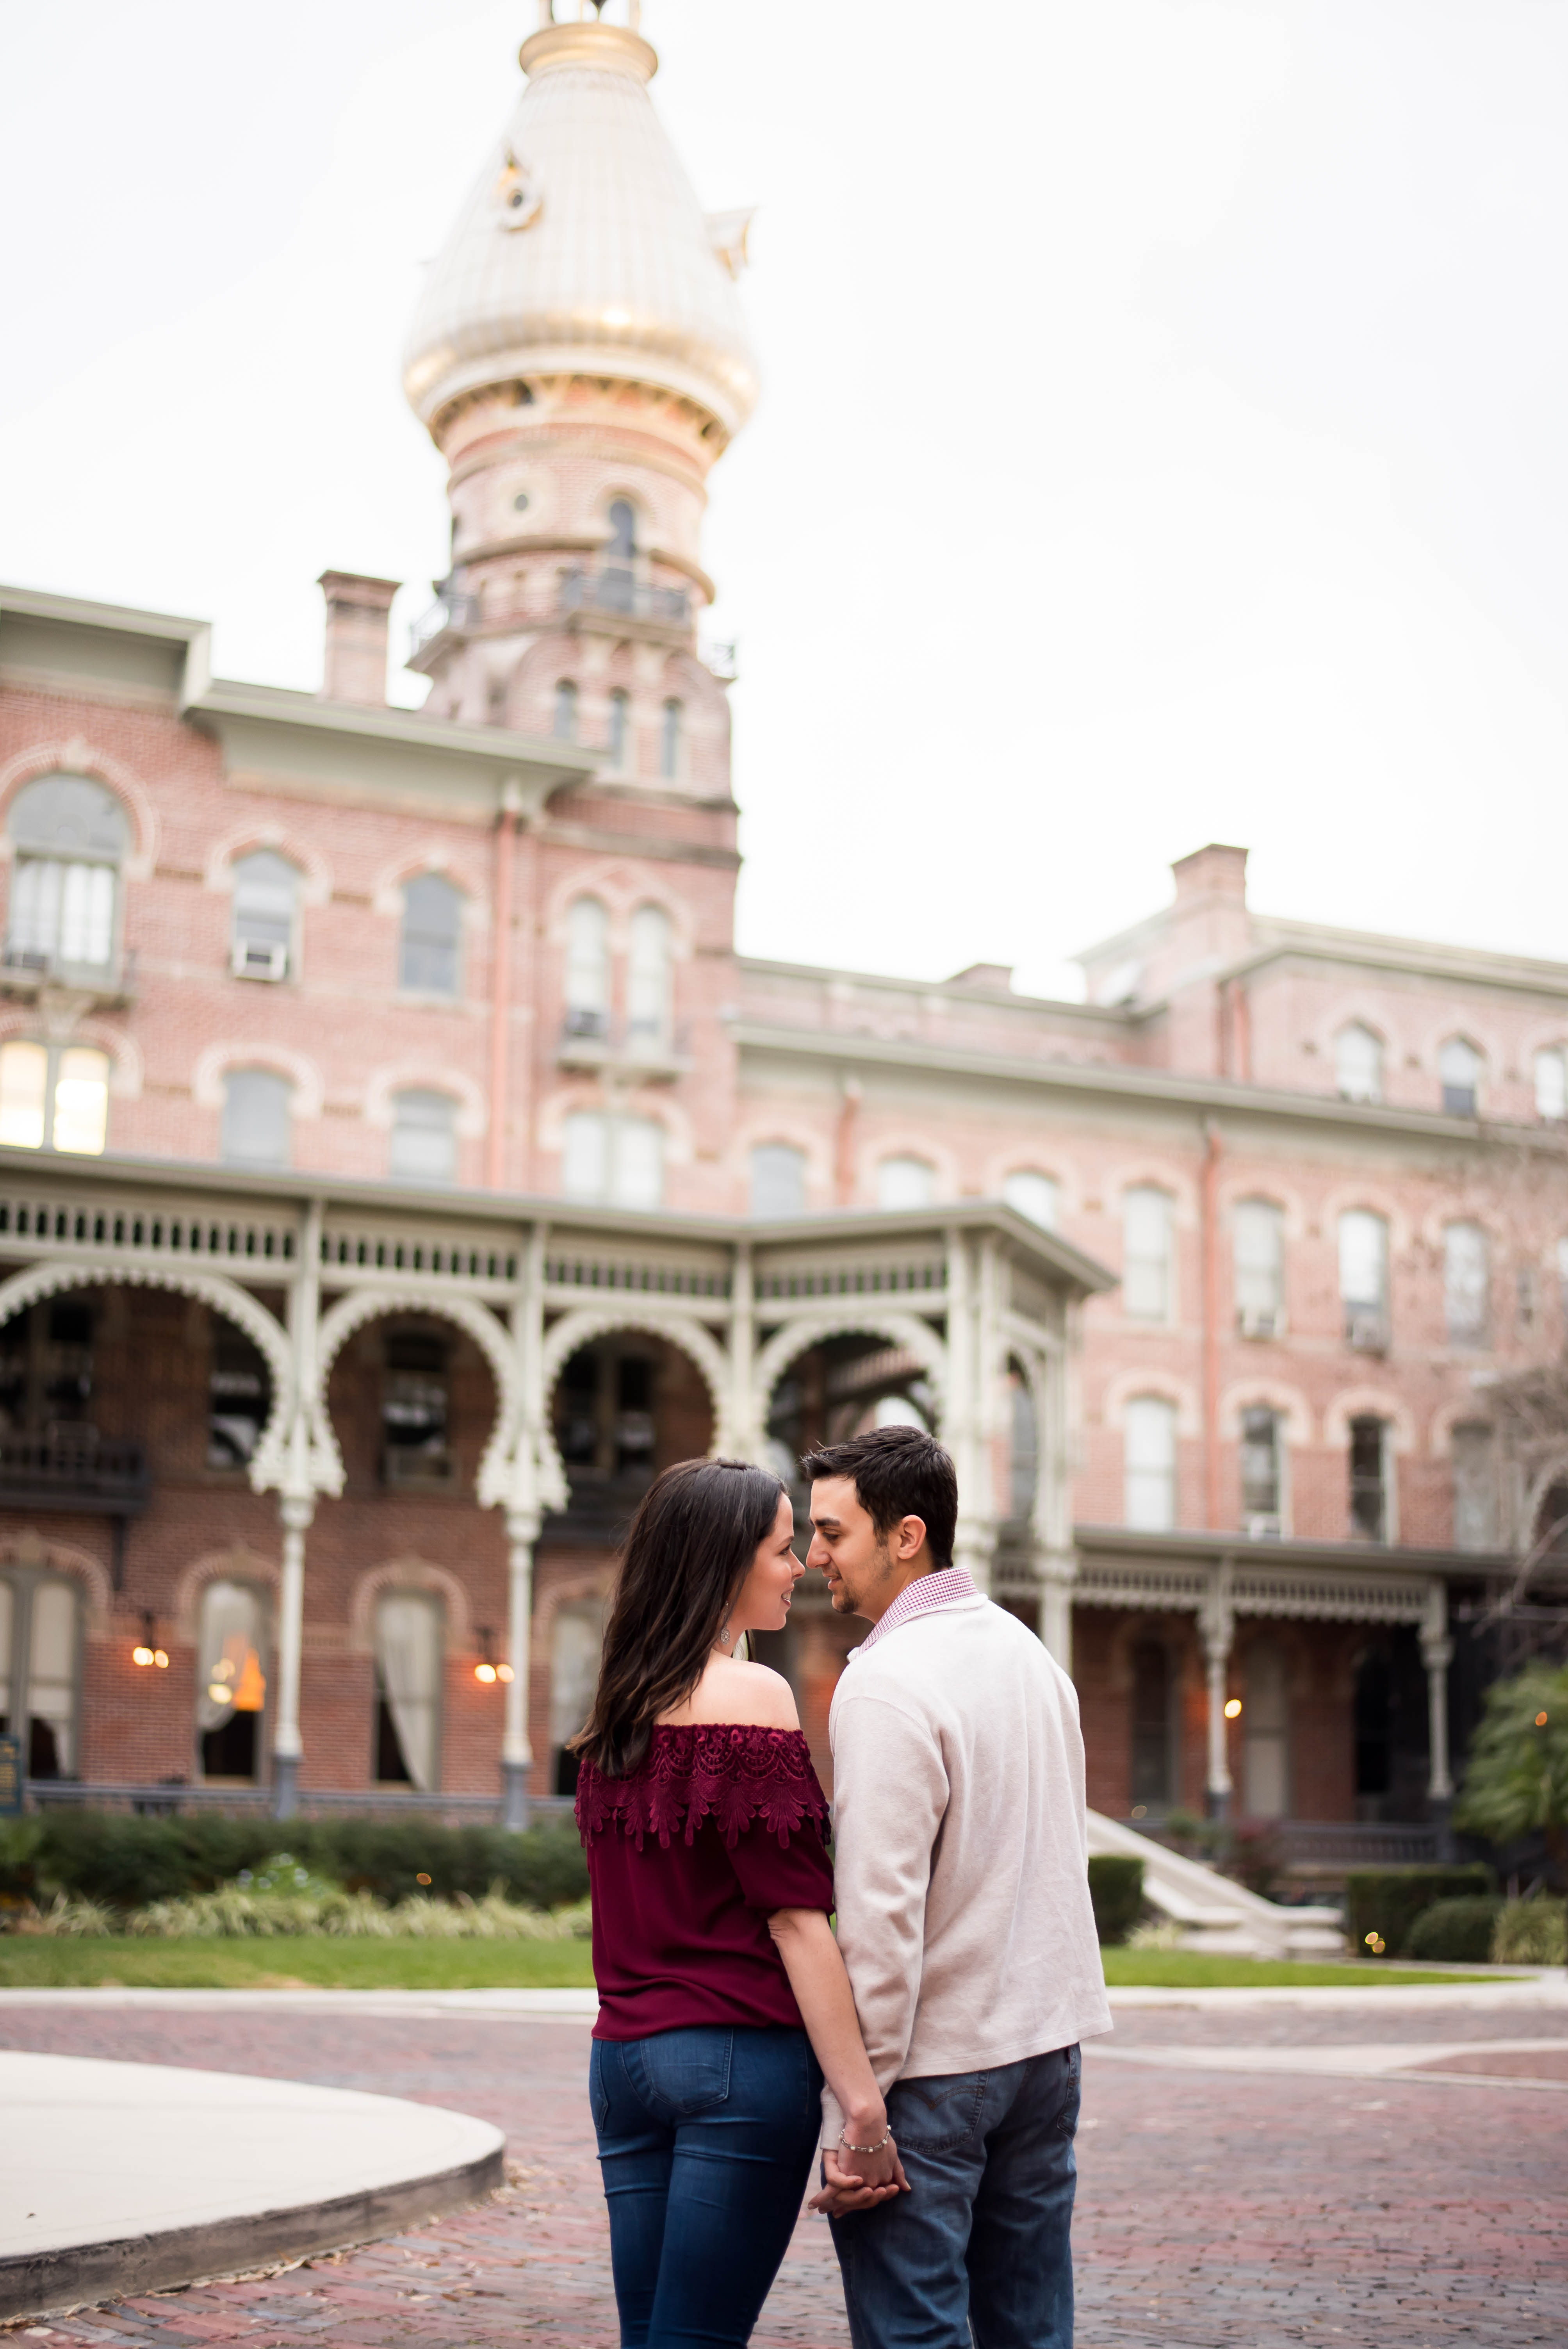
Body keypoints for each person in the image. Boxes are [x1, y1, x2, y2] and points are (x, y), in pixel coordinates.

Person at [574, 1456, 907, 2349]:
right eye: (778, 1547)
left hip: (622, 2064)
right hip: (735, 2063)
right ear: (721, 1561)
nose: (798, 1565)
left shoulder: (617, 1711)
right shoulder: (753, 1697)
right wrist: (864, 2106)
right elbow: (797, 1920)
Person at [804, 1423, 1111, 2349]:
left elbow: (880, 1921)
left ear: (906, 1536)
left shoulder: (886, 1682)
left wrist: (858, 2109)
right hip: (1046, 2052)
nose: (814, 1552)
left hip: (937, 2072)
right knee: (1031, 2329)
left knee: (915, 2333)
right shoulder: (1030, 1654)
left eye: (832, 1531)